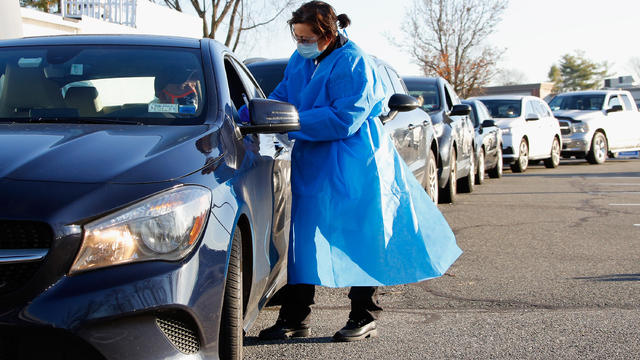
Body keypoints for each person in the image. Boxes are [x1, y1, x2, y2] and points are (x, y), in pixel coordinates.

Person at [256, 1, 461, 342]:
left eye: (306, 37)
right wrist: (253, 112)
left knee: (364, 233)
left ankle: (363, 314)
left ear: (327, 34)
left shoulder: (354, 62)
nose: (300, 44)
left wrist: (291, 121)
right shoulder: (300, 60)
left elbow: (343, 119)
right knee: (304, 239)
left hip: (356, 160)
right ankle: (294, 318)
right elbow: (281, 96)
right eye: (297, 37)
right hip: (313, 161)